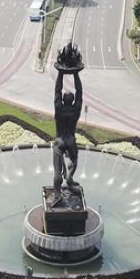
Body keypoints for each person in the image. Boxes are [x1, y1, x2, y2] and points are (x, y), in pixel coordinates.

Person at [52, 70, 83, 206]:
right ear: (73, 101)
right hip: (71, 141)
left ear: (63, 100)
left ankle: (57, 194)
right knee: (74, 161)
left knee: (57, 170)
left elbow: (57, 90)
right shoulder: (76, 110)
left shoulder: (59, 108)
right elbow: (79, 92)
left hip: (60, 141)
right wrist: (76, 74)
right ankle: (70, 179)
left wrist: (60, 73)